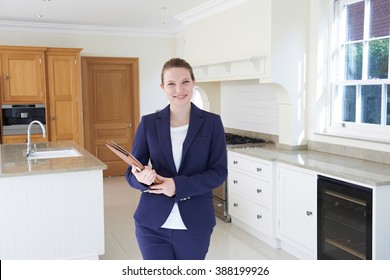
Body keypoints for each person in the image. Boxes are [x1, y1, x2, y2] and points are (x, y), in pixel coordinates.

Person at [125, 57, 228, 260]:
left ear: (193, 82)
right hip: (152, 225)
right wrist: (140, 178)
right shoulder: (148, 123)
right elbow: (131, 172)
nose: (179, 89)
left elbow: (219, 173)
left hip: (195, 224)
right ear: (163, 87)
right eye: (171, 83)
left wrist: (177, 186)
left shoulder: (212, 123)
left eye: (185, 82)